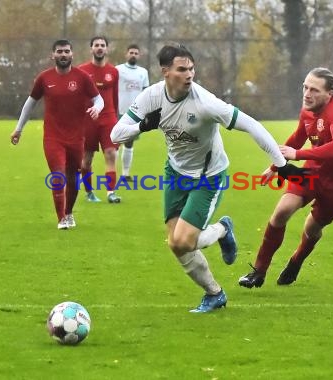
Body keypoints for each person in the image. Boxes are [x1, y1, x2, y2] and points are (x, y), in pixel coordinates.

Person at [111, 43, 306, 313]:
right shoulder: (151, 96)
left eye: (191, 68)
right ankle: (214, 293)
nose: (189, 74)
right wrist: (142, 126)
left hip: (208, 177)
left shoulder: (205, 103)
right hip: (175, 173)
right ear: (165, 72)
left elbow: (252, 125)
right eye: (182, 69)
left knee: (185, 241)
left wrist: (280, 163)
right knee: (176, 244)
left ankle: (223, 229)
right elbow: (115, 135)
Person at [238, 67, 333, 288]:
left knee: (312, 229)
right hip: (313, 170)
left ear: (329, 94)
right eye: (305, 87)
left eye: (314, 90)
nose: (307, 94)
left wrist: (298, 154)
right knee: (281, 213)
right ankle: (258, 271)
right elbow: (297, 138)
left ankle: (296, 260)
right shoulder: (307, 111)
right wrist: (275, 166)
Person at [10, 39, 103, 229]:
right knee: (58, 175)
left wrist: (97, 108)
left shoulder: (82, 77)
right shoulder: (44, 78)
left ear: (72, 54)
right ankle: (61, 218)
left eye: (66, 51)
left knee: (72, 177)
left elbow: (98, 99)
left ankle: (68, 213)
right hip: (53, 137)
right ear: (53, 55)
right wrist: (19, 129)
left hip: (77, 138)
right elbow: (30, 103)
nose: (63, 54)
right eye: (59, 51)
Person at [78, 36, 121, 203]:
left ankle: (111, 193)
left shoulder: (113, 72)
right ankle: (89, 192)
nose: (100, 48)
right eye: (96, 45)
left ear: (107, 49)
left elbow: (115, 96)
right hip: (88, 119)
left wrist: (117, 119)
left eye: (103, 45)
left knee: (110, 153)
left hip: (108, 117)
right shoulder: (82, 71)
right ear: (91, 49)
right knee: (86, 159)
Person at [116, 44, 150, 181]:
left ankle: (125, 174)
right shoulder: (118, 70)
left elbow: (146, 93)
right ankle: (111, 171)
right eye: (131, 52)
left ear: (139, 55)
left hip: (135, 114)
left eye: (136, 53)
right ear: (126, 54)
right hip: (118, 111)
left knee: (129, 143)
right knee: (115, 142)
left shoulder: (143, 72)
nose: (133, 55)